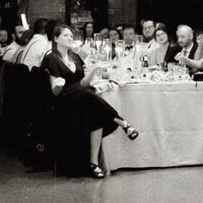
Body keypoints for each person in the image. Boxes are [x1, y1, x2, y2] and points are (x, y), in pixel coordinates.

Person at [42, 24, 138, 178]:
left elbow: (83, 83)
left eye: (71, 36)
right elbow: (54, 90)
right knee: (87, 94)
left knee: (93, 108)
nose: (69, 38)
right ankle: (122, 122)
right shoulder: (51, 58)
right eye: (65, 35)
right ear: (56, 38)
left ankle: (93, 163)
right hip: (63, 101)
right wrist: (58, 85)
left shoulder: (74, 56)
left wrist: (95, 69)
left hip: (80, 98)